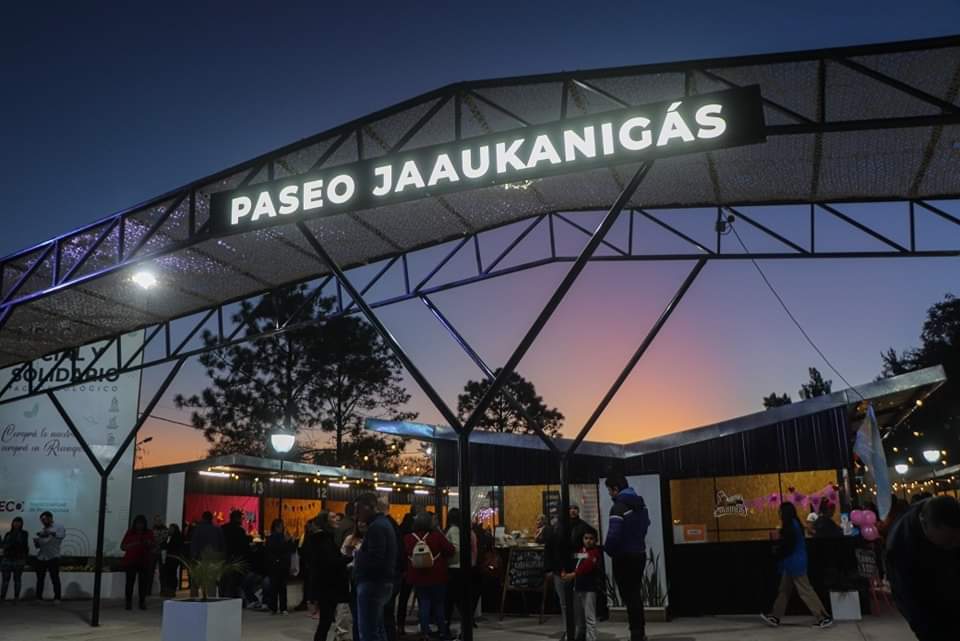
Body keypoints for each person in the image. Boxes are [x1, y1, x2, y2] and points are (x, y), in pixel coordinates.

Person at [886, 495, 960, 641]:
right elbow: (910, 602)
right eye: (949, 541)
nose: (955, 544)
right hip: (926, 605)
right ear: (925, 526)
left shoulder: (945, 516)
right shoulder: (900, 547)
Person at [761, 501, 833, 629]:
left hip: (794, 563)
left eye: (780, 511)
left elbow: (788, 546)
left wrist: (777, 551)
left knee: (805, 591)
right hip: (794, 562)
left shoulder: (790, 526)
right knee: (784, 590)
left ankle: (823, 617)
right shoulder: (795, 524)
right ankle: (775, 616)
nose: (779, 514)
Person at [603, 475, 650, 641]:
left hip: (623, 557)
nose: (609, 494)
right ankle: (639, 632)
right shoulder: (641, 506)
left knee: (629, 597)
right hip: (639, 554)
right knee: (635, 594)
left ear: (616, 489)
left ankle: (636, 634)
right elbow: (646, 526)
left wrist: (608, 550)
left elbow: (613, 535)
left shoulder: (618, 508)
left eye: (609, 490)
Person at [353, 492, 398, 641]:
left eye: (358, 509)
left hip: (372, 583)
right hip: (382, 582)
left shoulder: (376, 527)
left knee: (368, 633)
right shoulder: (384, 524)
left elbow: (375, 559)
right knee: (378, 630)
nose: (356, 514)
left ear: (368, 507)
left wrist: (358, 556)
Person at [404, 511, 455, 641]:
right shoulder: (436, 536)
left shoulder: (408, 538)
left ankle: (425, 633)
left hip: (418, 576)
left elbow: (403, 555)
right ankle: (442, 631)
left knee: (424, 604)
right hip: (437, 575)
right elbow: (450, 550)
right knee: (439, 604)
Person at [311, 511, 351, 641]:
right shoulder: (324, 540)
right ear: (326, 522)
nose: (337, 519)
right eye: (333, 517)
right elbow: (331, 562)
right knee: (325, 621)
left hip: (327, 586)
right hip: (327, 586)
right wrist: (349, 558)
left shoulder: (325, 538)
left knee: (326, 621)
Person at [561, 530, 602, 641]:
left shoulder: (594, 553)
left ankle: (591, 638)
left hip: (589, 588)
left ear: (595, 540)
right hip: (578, 587)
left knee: (590, 617)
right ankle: (580, 636)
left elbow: (587, 566)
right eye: (586, 538)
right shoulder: (582, 551)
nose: (588, 541)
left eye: (591, 538)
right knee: (579, 616)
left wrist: (572, 575)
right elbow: (575, 559)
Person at [443, 508, 478, 634]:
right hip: (464, 567)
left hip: (454, 568)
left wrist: (447, 555)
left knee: (451, 599)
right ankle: (466, 623)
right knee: (459, 599)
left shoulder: (453, 530)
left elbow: (456, 549)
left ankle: (448, 626)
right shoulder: (466, 530)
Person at [121, 514, 156, 610]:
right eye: (138, 523)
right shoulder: (130, 532)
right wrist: (134, 544)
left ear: (144, 524)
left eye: (141, 523)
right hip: (131, 561)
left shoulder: (149, 532)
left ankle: (142, 602)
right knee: (129, 583)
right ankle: (128, 602)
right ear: (135, 524)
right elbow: (123, 546)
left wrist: (149, 543)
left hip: (144, 561)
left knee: (143, 584)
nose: (140, 525)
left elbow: (154, 545)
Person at [33, 511, 65, 603]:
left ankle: (57, 598)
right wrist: (37, 542)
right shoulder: (43, 530)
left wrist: (49, 533)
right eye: (42, 520)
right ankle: (39, 597)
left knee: (54, 578)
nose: (43, 521)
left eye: (44, 519)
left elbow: (61, 535)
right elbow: (40, 545)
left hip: (53, 556)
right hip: (41, 557)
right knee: (40, 578)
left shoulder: (59, 526)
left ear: (50, 518)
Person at [265, 518, 294, 614]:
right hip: (279, 564)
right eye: (280, 526)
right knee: (279, 587)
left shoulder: (274, 537)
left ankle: (277, 608)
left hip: (278, 565)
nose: (282, 528)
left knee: (278, 587)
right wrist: (288, 541)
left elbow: (289, 549)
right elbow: (280, 549)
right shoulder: (275, 537)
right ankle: (280, 608)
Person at [396, 508, 417, 636]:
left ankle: (399, 624)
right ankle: (401, 625)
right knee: (407, 597)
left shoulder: (399, 533)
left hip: (399, 569)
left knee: (401, 599)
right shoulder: (412, 537)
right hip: (411, 569)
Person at [221, 510, 250, 599]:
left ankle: (225, 599)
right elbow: (244, 547)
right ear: (236, 518)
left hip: (225, 559)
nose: (242, 520)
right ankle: (234, 600)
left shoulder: (223, 528)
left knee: (225, 582)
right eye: (241, 518)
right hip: (237, 561)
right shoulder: (240, 531)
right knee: (235, 584)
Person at [1, 517, 28, 604]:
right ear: (12, 523)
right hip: (7, 559)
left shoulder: (24, 533)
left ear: (21, 524)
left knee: (17, 580)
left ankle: (16, 598)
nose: (16, 524)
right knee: (5, 580)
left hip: (19, 559)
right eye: (15, 522)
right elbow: (4, 545)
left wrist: (11, 543)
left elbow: (23, 545)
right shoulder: (8, 534)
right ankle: (2, 597)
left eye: (19, 522)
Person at [160, 523, 184, 596]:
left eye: (171, 529)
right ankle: (170, 590)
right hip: (173, 559)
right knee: (171, 574)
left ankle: (170, 590)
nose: (169, 530)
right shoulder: (175, 537)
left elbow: (169, 548)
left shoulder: (175, 538)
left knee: (171, 574)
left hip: (172, 559)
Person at [149, 514, 169, 596]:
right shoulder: (151, 529)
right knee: (150, 571)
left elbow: (164, 539)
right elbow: (151, 539)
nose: (158, 521)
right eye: (156, 520)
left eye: (159, 520)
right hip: (153, 552)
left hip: (162, 552)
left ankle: (163, 590)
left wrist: (157, 545)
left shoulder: (165, 529)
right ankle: (148, 590)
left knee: (162, 571)